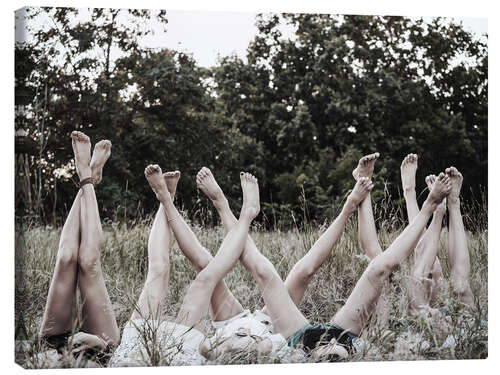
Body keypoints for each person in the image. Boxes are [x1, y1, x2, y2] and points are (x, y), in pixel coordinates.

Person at [170, 158, 450, 360]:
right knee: (378, 270)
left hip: (298, 336)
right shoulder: (366, 349)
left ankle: (234, 208)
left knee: (272, 272)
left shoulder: (284, 352)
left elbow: (207, 348)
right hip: (344, 333)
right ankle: (418, 206)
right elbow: (382, 271)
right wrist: (431, 207)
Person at [108, 166, 261, 367]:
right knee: (204, 279)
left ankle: (164, 198)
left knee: (158, 269)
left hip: (133, 348)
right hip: (179, 359)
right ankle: (166, 198)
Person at [38, 131, 119, 365]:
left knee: (66, 257)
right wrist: (95, 343)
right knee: (88, 261)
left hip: (56, 345)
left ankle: (89, 176)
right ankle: (87, 176)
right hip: (102, 347)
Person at [400, 154, 475, 318]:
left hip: (440, 326)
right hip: (456, 324)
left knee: (428, 271)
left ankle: (416, 197)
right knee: (460, 285)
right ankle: (453, 204)